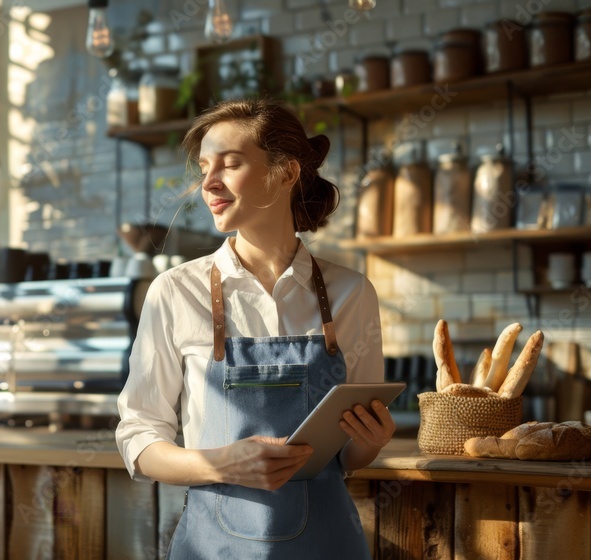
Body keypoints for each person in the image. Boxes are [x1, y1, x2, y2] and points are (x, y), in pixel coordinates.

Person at [115, 98, 395, 559]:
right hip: (213, 548)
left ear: (287, 173)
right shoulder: (174, 292)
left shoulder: (353, 293)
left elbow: (348, 457)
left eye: (231, 164)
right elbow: (139, 437)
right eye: (205, 167)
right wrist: (219, 463)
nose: (208, 183)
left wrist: (372, 441)